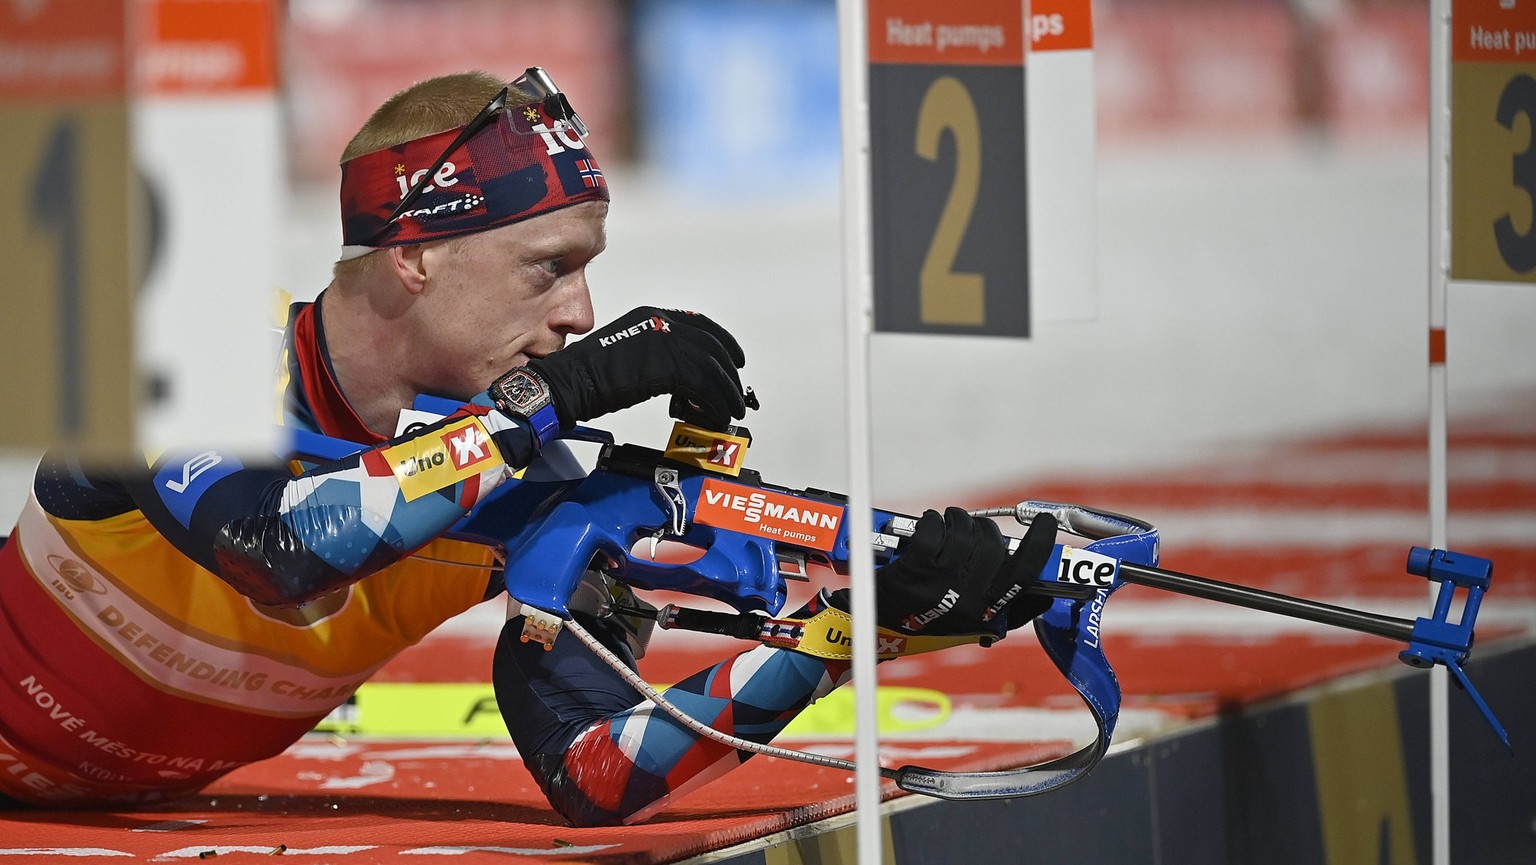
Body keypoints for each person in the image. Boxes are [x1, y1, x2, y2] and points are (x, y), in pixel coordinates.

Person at [0, 68, 1058, 825]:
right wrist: (555, 394)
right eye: (546, 268)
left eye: (586, 270)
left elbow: (597, 776)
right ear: (414, 258)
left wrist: (837, 637)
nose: (579, 313)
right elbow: (280, 551)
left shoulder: (512, 473)